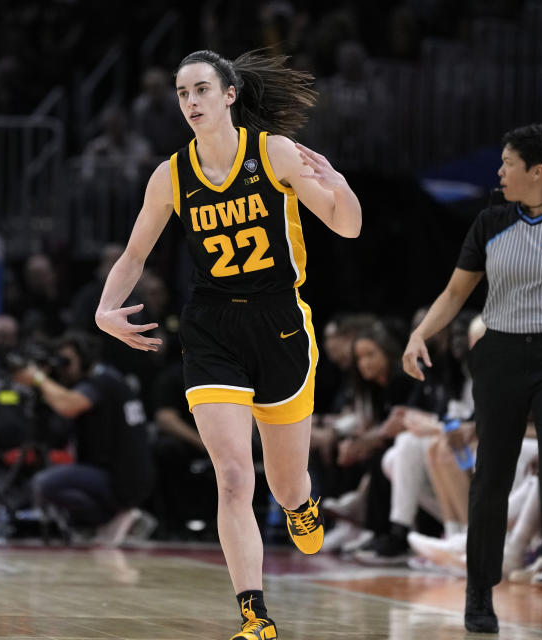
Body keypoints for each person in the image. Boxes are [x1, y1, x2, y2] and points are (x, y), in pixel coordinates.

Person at [94, 49, 361, 640]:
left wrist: (338, 184)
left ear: (229, 94)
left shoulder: (274, 154)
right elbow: (135, 254)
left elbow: (347, 225)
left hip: (281, 322)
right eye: (182, 92)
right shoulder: (171, 174)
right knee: (235, 478)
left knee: (286, 483)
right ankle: (254, 615)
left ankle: (300, 504)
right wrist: (104, 308)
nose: (190, 102)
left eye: (201, 90)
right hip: (212, 326)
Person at [402, 124, 542, 640]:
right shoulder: (489, 223)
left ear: (537, 171)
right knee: (491, 479)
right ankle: (480, 593)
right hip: (501, 355)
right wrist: (420, 334)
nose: (499, 171)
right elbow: (455, 292)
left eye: (508, 163)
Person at [11, 333, 154, 545]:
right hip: (121, 473)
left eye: (67, 362)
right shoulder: (110, 378)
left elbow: (69, 406)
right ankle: (116, 520)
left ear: (86, 359)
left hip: (121, 476)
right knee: (55, 483)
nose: (63, 368)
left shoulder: (102, 381)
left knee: (43, 483)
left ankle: (115, 517)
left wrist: (39, 379)